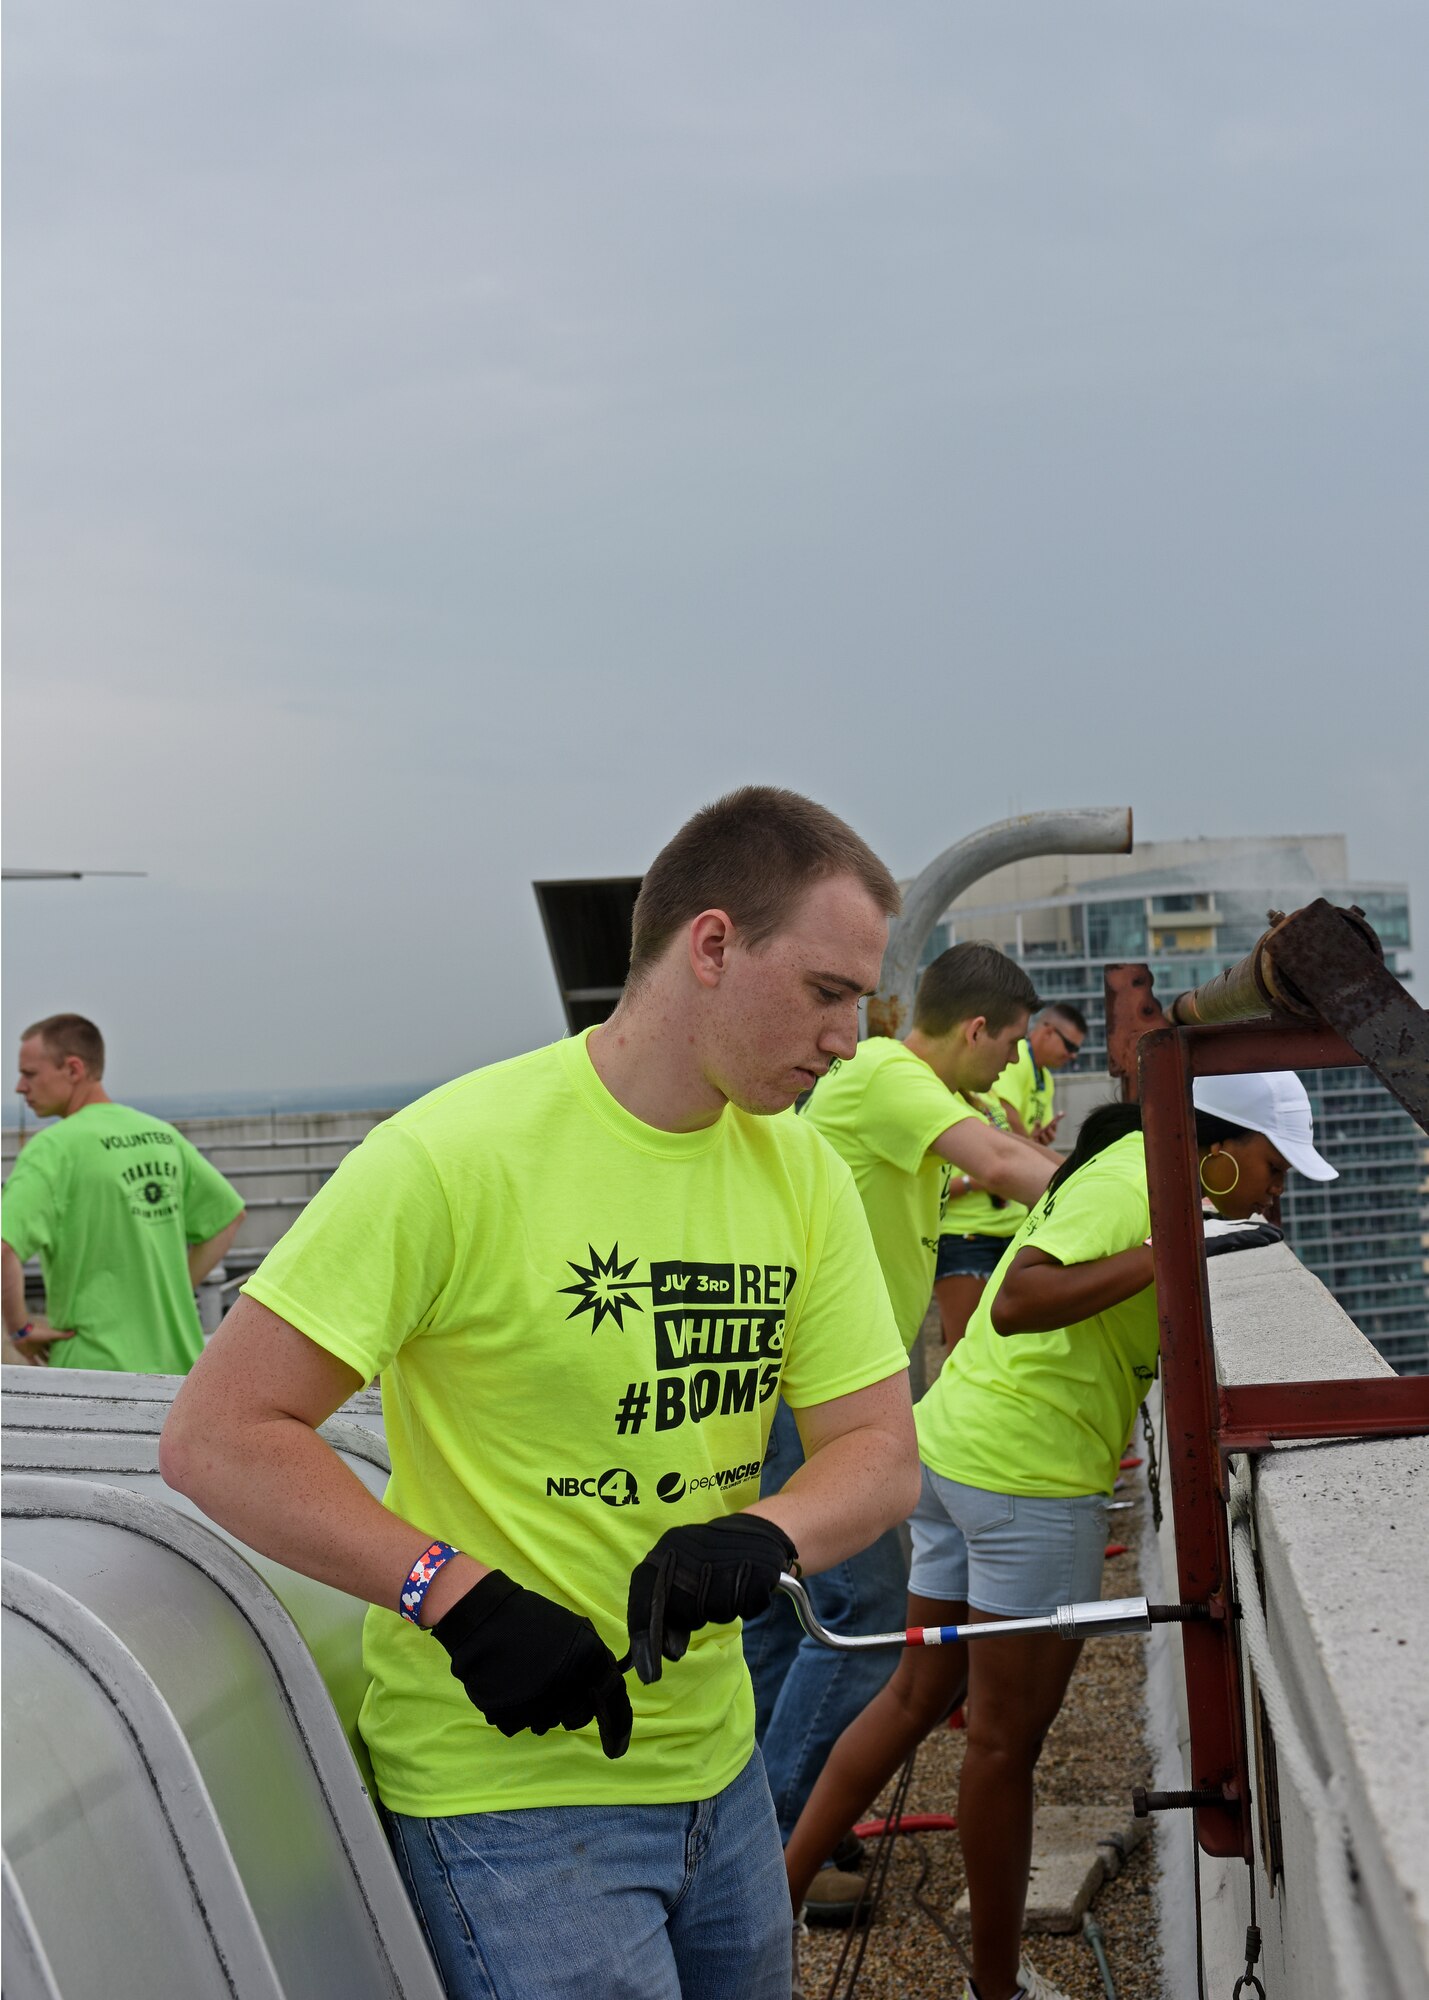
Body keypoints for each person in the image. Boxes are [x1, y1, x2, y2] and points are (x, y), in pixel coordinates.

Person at [160, 786, 923, 2000]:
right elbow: (219, 1436)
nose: (850, 1038)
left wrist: (766, 1529)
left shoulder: (806, 1173)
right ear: (712, 944)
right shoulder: (450, 1156)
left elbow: (879, 1449)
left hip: (718, 1777)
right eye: (828, 993)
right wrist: (450, 1594)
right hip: (507, 1796)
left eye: (860, 1004)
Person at [782, 1070, 1337, 2000]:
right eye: (1271, 1164)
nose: (1278, 1187)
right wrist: (1179, 1250)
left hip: (954, 1448)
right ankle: (995, 1991)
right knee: (1003, 1745)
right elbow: (1018, 1299)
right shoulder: (1143, 1187)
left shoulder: (1128, 1161)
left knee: (917, 1695)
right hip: (1027, 1478)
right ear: (1216, 1146)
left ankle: (767, 1909)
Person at [742, 943, 1062, 1921]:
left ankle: (752, 1825)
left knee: (772, 1618)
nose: (1007, 1063)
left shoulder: (890, 1093)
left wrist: (998, 1167)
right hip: (814, 1388)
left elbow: (958, 1182)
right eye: (1007, 1043)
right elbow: (1001, 1163)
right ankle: (762, 1853)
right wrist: (1134, 1189)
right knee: (867, 1611)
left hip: (794, 1376)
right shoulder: (889, 1072)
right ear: (974, 1029)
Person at [2, 1014, 245, 1373]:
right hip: (179, 1370)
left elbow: (5, 1244)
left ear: (73, 1069)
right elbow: (228, 1217)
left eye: (30, 1074)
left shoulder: (52, 1149)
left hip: (93, 1371)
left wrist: (20, 1329)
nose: (20, 1087)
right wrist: (172, 1291)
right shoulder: (161, 1135)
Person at [934, 1004, 1087, 1350]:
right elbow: (1007, 1153)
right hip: (964, 1236)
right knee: (965, 1350)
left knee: (992, 1348)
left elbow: (1018, 1143)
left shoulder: (1033, 1080)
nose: (1013, 1059)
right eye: (1010, 1044)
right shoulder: (975, 1086)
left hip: (1007, 1229)